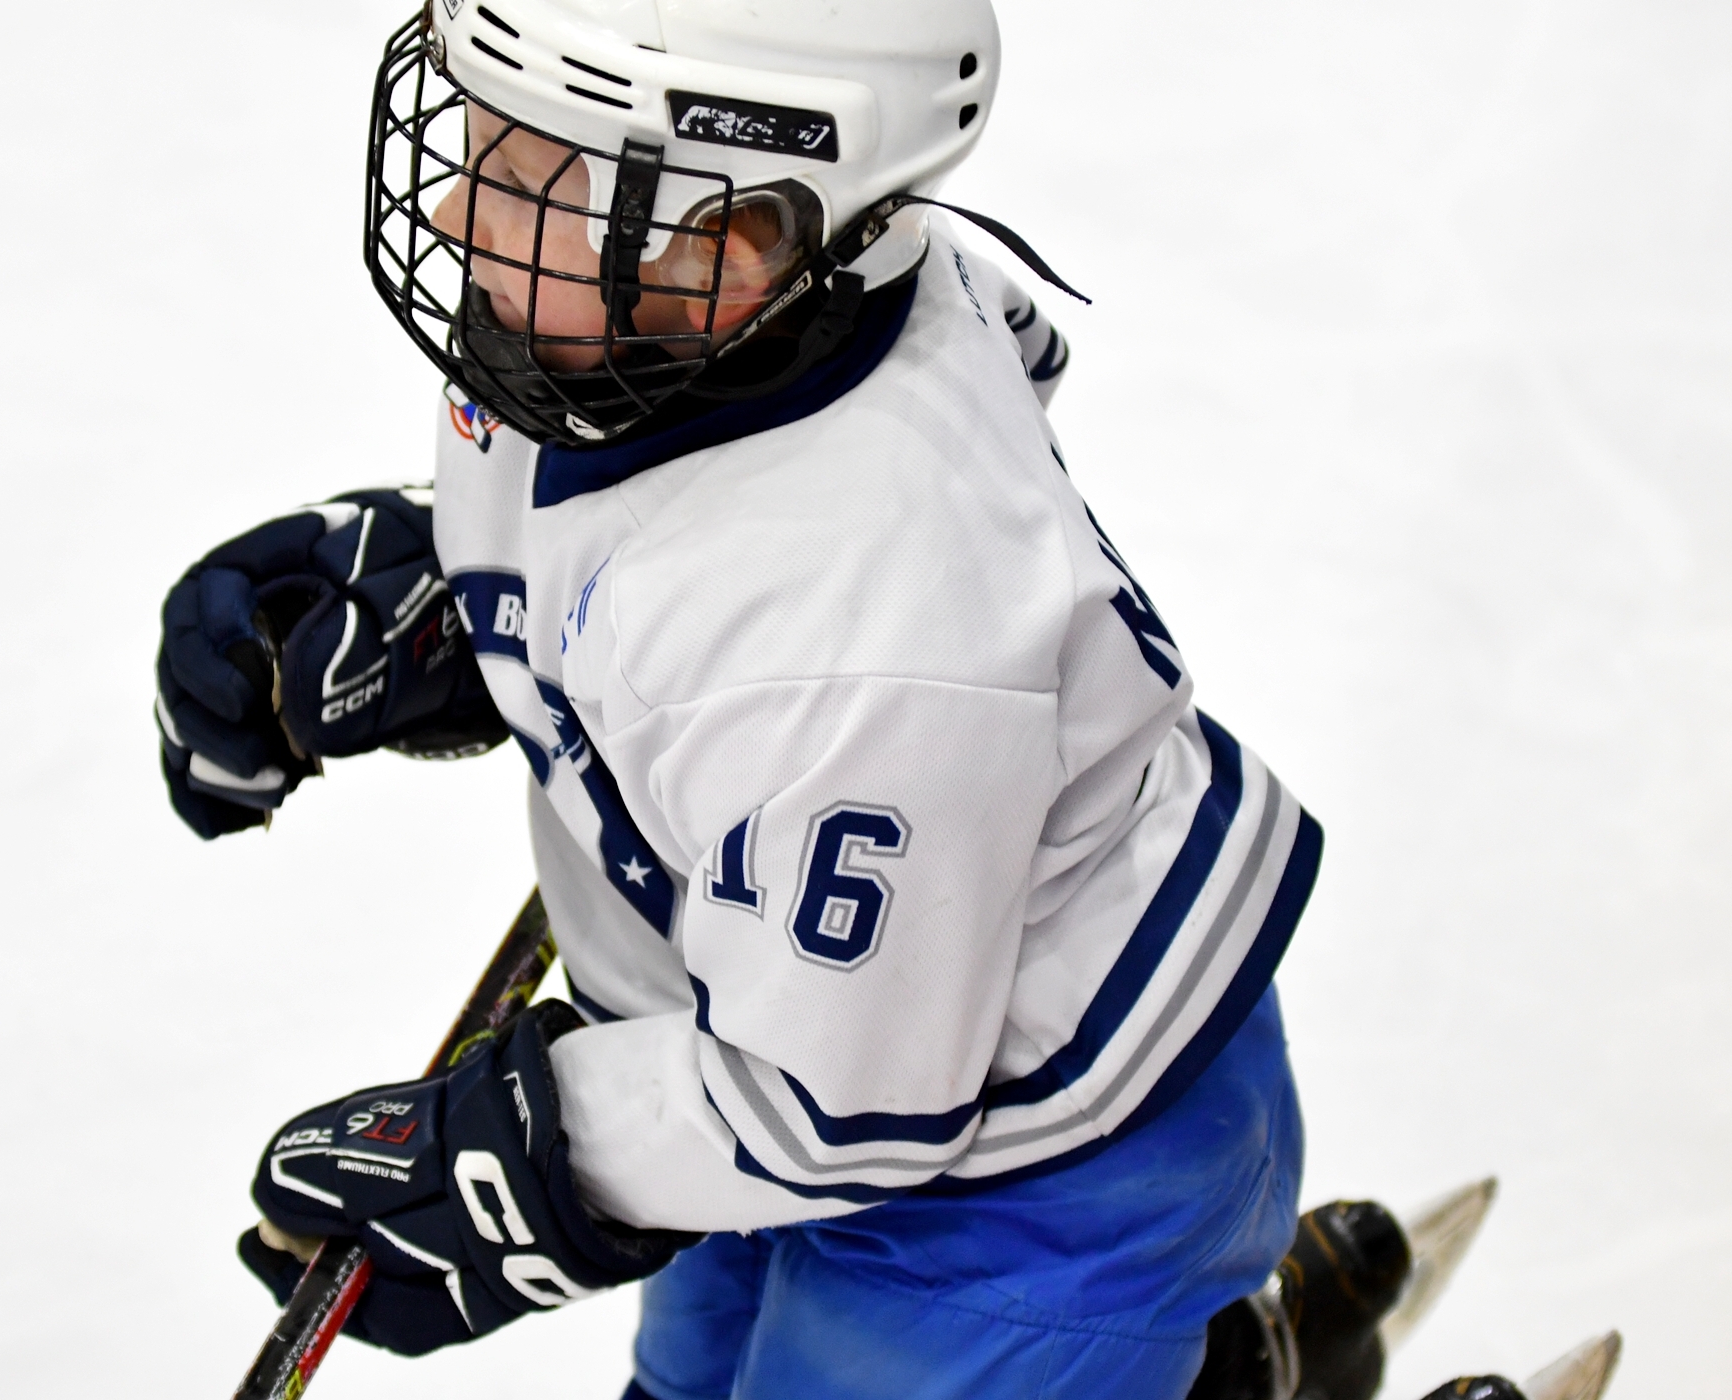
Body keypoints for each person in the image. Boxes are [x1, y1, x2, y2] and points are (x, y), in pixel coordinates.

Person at [155, 1, 1323, 1395]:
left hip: (1033, 1164)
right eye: (476, 134)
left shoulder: (869, 634)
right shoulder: (666, 333)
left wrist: (529, 1161)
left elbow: (837, 1114)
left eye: (529, 174)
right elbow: (703, 520)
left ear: (729, 236)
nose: (466, 203)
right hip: (762, 1023)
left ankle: (1197, 1375)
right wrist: (474, 604)